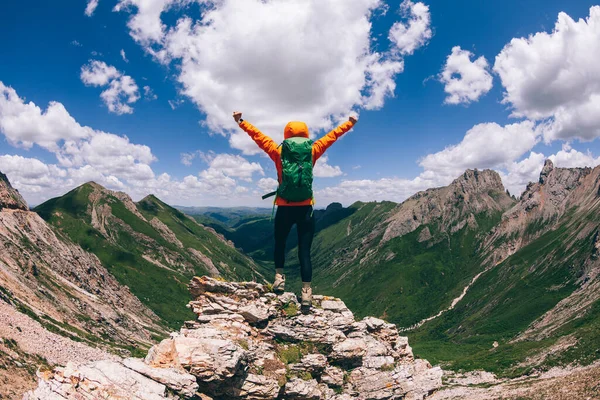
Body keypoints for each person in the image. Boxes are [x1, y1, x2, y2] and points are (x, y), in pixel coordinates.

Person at [233, 111, 357, 308]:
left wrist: (241, 121)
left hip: (284, 207)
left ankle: (279, 280)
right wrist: (349, 123)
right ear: (306, 135)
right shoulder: (313, 150)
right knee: (305, 251)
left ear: (286, 135)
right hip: (306, 209)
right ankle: (306, 293)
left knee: (280, 244)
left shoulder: (278, 151)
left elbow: (258, 136)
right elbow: (332, 136)